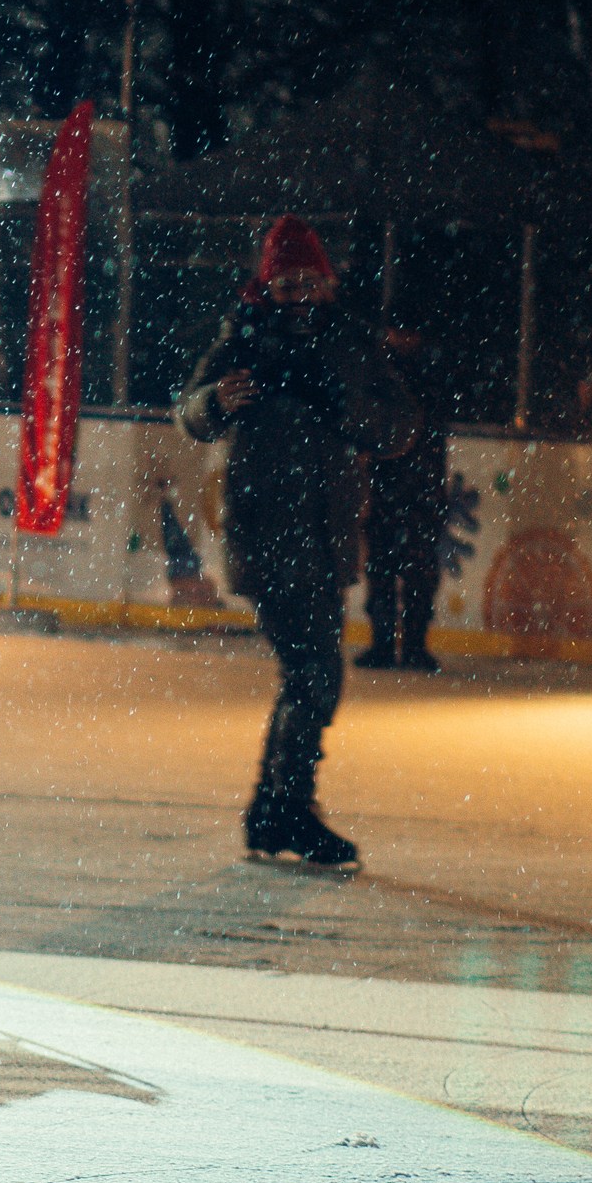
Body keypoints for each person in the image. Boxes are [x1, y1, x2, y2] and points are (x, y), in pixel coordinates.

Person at [181, 218, 418, 869]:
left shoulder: (348, 341)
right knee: (314, 673)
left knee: (311, 676)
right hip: (266, 537)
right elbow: (190, 411)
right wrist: (216, 401)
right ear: (266, 285)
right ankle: (285, 807)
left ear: (327, 282)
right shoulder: (245, 338)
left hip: (328, 536)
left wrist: (347, 407)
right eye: (285, 284)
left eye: (308, 281)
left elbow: (400, 424)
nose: (298, 295)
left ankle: (275, 808)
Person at [355, 329, 449, 673]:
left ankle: (405, 645)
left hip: (411, 490)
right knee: (391, 570)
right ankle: (395, 645)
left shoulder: (392, 373)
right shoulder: (393, 373)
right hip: (398, 489)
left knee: (409, 573)